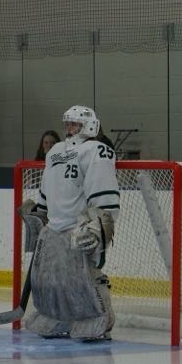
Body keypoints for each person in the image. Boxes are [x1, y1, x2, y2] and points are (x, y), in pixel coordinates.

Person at [21, 105, 120, 342]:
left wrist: (97, 226)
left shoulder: (97, 150)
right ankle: (54, 316)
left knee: (83, 277)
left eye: (74, 124)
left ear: (90, 126)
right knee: (48, 279)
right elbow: (48, 190)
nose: (68, 129)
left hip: (79, 227)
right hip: (54, 228)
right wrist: (39, 214)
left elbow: (104, 196)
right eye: (67, 124)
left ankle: (97, 320)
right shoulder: (54, 151)